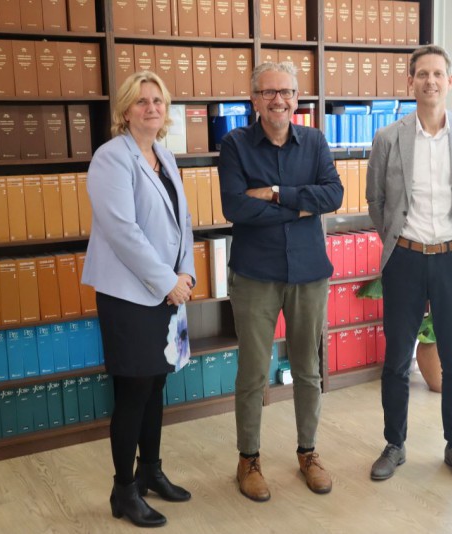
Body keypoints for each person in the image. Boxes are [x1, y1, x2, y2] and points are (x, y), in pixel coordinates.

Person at [218, 62, 344, 502]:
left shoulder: (315, 141)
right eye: (269, 92)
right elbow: (235, 207)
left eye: (287, 92)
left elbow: (333, 195)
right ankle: (248, 459)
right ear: (254, 98)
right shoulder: (235, 145)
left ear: (296, 98)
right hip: (255, 274)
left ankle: (308, 453)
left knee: (308, 367)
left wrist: (274, 194)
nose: (279, 100)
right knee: (253, 370)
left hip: (309, 272)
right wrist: (301, 206)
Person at [365, 44, 452, 484]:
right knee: (397, 359)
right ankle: (394, 445)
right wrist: (399, 242)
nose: (430, 81)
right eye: (422, 74)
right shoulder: (388, 138)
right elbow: (376, 201)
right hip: (405, 259)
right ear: (411, 81)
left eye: (438, 74)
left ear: (449, 82)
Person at [82, 71, 195, 528]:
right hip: (129, 294)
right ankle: (123, 489)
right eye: (142, 101)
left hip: (168, 290)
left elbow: (184, 221)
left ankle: (151, 471)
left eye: (158, 101)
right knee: (133, 391)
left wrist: (186, 271)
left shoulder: (164, 156)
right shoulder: (111, 158)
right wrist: (167, 280)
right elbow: (122, 231)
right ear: (125, 111)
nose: (152, 108)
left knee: (156, 385)